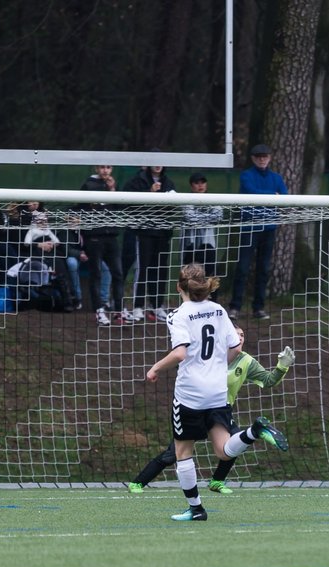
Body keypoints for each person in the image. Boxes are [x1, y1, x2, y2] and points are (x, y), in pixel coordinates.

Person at [145, 265, 276, 521]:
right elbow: (235, 348)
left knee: (183, 452)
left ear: (179, 287)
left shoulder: (178, 315)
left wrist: (156, 367)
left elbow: (181, 353)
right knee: (224, 450)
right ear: (204, 286)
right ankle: (253, 431)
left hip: (190, 394)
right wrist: (215, 366)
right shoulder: (218, 310)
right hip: (218, 391)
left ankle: (196, 509)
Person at [129, 324, 293, 494]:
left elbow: (268, 381)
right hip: (197, 408)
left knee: (234, 444)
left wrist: (282, 367)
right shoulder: (207, 358)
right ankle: (138, 483)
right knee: (174, 454)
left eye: (242, 334)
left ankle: (217, 481)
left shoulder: (246, 361)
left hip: (221, 411)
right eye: (235, 335)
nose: (240, 338)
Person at [230, 143, 288, 319]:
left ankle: (258, 307)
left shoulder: (276, 177)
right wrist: (273, 196)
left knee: (263, 268)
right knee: (242, 268)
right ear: (253, 159)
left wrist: (272, 197)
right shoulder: (246, 175)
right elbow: (252, 192)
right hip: (249, 227)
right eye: (259, 157)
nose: (262, 159)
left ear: (270, 158)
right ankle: (235, 307)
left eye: (265, 156)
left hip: (269, 228)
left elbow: (284, 196)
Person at [123, 163, 177, 321]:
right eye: (154, 161)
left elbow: (172, 208)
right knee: (142, 269)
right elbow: (129, 205)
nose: (158, 165)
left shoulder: (168, 182)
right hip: (143, 232)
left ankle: (157, 306)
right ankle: (138, 306)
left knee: (160, 270)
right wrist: (149, 193)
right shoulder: (136, 181)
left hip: (162, 233)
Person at [77, 165, 121, 326]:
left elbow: (119, 207)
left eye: (108, 167)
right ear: (97, 168)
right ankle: (99, 311)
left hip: (111, 236)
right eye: (102, 167)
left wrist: (113, 190)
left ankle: (119, 310)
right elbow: (79, 209)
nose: (105, 171)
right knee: (96, 274)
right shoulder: (88, 185)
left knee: (118, 274)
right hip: (94, 237)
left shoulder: (113, 185)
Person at [182, 172, 225, 278]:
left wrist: (198, 218)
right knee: (190, 279)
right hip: (190, 246)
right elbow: (190, 218)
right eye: (197, 183)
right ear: (191, 186)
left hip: (209, 245)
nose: (200, 185)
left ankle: (211, 295)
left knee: (210, 277)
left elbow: (218, 215)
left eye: (203, 182)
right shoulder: (185, 200)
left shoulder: (213, 200)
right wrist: (208, 217)